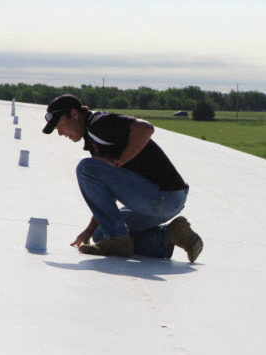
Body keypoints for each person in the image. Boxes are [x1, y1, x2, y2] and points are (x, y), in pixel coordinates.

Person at [42, 94, 203, 262]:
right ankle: (173, 235)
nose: (60, 133)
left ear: (74, 114)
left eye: (60, 125)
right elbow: (107, 195)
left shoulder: (98, 124)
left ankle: (119, 240)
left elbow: (145, 129)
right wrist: (89, 230)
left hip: (164, 197)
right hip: (165, 201)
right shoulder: (93, 139)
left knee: (86, 168)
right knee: (102, 234)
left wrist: (117, 162)